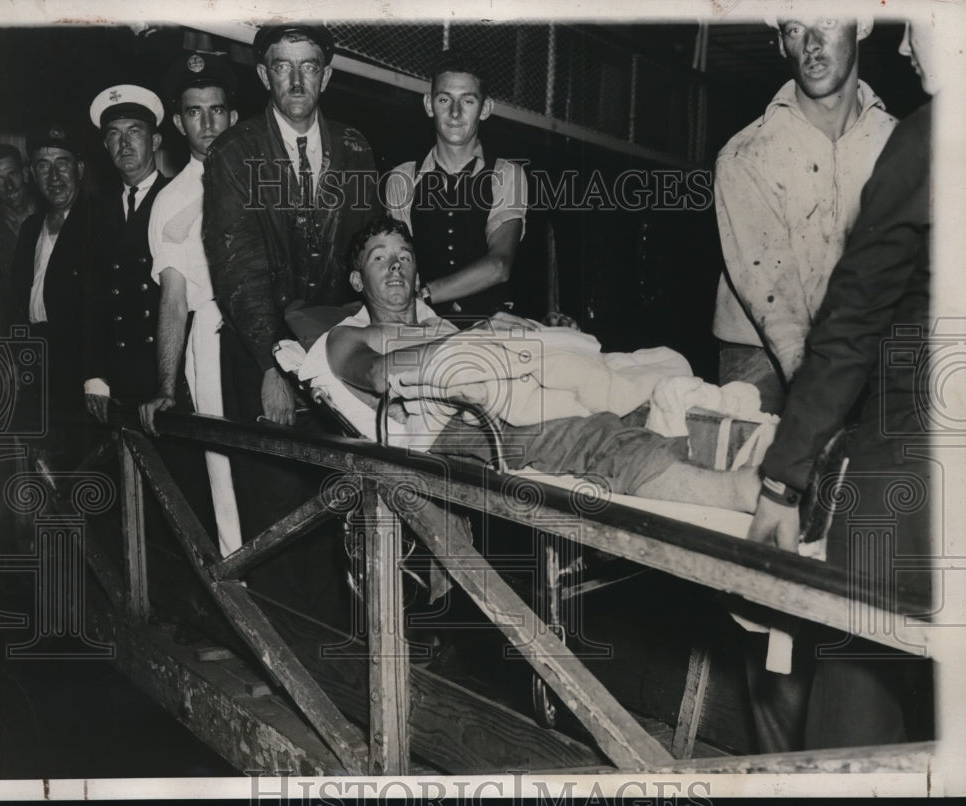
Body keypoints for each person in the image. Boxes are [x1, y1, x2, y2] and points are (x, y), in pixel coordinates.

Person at [747, 20, 939, 750]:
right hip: (814, 383)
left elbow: (852, 321)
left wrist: (783, 479)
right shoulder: (752, 153)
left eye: (917, 25)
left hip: (906, 456)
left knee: (856, 720)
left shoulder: (921, 137)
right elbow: (776, 301)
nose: (905, 45)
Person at [308, 216, 760, 512]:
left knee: (634, 384)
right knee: (586, 435)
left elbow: (498, 353)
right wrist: (472, 340)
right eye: (380, 258)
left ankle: (737, 442)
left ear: (417, 275)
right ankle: (732, 492)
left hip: (506, 389)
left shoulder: (439, 323)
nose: (395, 267)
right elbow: (378, 375)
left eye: (404, 257)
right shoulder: (349, 335)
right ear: (357, 280)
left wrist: (545, 334)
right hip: (458, 422)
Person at [201, 24, 380, 620]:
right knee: (274, 504)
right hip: (263, 353)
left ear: (327, 74)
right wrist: (273, 363)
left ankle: (334, 644)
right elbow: (238, 268)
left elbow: (367, 253)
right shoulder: (235, 152)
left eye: (309, 66)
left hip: (336, 350)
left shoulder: (354, 148)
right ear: (263, 75)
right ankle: (280, 650)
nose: (297, 80)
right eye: (283, 66)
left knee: (337, 498)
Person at [712, 16, 897, 414]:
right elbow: (772, 293)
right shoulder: (747, 154)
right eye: (795, 29)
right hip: (761, 349)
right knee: (753, 448)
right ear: (782, 45)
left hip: (864, 346)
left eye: (828, 21)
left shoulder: (900, 147)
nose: (812, 44)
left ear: (862, 27)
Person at [139, 52, 243, 558]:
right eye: (195, 112)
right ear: (179, 124)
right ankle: (237, 581)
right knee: (224, 472)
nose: (208, 123)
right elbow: (175, 300)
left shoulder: (264, 178)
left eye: (216, 110)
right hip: (213, 340)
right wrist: (165, 386)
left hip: (273, 337)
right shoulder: (169, 201)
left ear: (233, 117)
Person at [384, 49, 527, 322]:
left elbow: (499, 265)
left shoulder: (506, 174)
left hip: (492, 323)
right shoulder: (403, 178)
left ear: (485, 108)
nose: (455, 113)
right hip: (425, 324)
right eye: (444, 99)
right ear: (429, 105)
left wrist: (425, 294)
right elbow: (398, 262)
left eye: (468, 101)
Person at [84, 84, 170, 422]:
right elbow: (92, 298)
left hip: (166, 376)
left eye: (134, 131)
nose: (124, 143)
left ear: (155, 141)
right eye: (114, 134)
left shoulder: (177, 198)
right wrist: (95, 374)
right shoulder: (96, 212)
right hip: (118, 378)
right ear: (105, 146)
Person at [10, 125, 92, 467]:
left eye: (63, 163)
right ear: (32, 174)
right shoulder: (31, 227)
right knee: (40, 469)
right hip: (36, 365)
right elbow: (16, 302)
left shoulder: (97, 221)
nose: (54, 176)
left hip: (78, 367)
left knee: (84, 467)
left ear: (80, 169)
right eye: (43, 165)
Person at [0, 144, 40, 334]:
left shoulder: (50, 212)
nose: (8, 186)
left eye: (12, 174)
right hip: (17, 331)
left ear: (25, 174)